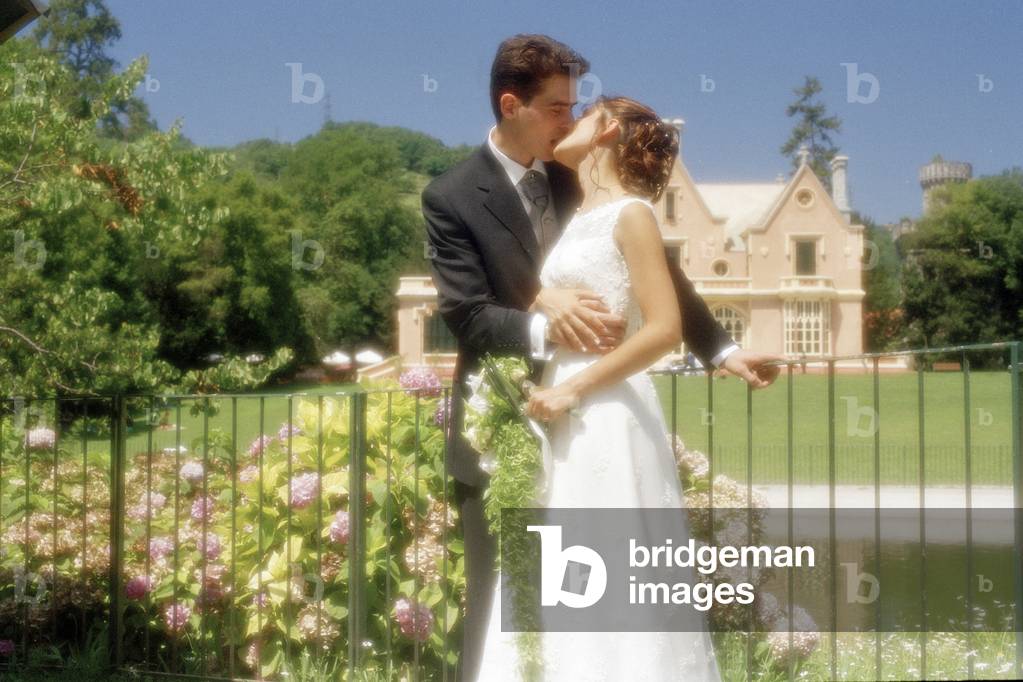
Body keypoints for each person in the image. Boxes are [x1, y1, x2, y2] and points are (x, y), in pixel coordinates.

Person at [421, 34, 782, 682]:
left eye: (575, 108)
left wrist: (718, 347)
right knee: (501, 607)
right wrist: (544, 315)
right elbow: (467, 314)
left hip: (591, 412)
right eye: (558, 107)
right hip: (501, 419)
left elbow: (657, 279)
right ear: (512, 104)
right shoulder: (450, 196)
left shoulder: (580, 184)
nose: (570, 118)